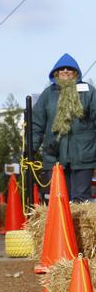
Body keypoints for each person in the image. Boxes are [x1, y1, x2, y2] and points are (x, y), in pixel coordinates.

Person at [31, 54, 96, 201]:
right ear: (56, 73)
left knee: (81, 200)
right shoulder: (48, 94)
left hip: (83, 155)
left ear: (76, 72)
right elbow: (37, 124)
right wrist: (31, 147)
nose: (65, 71)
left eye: (69, 69)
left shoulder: (89, 92)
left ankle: (78, 225)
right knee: (59, 199)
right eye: (62, 69)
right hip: (54, 156)